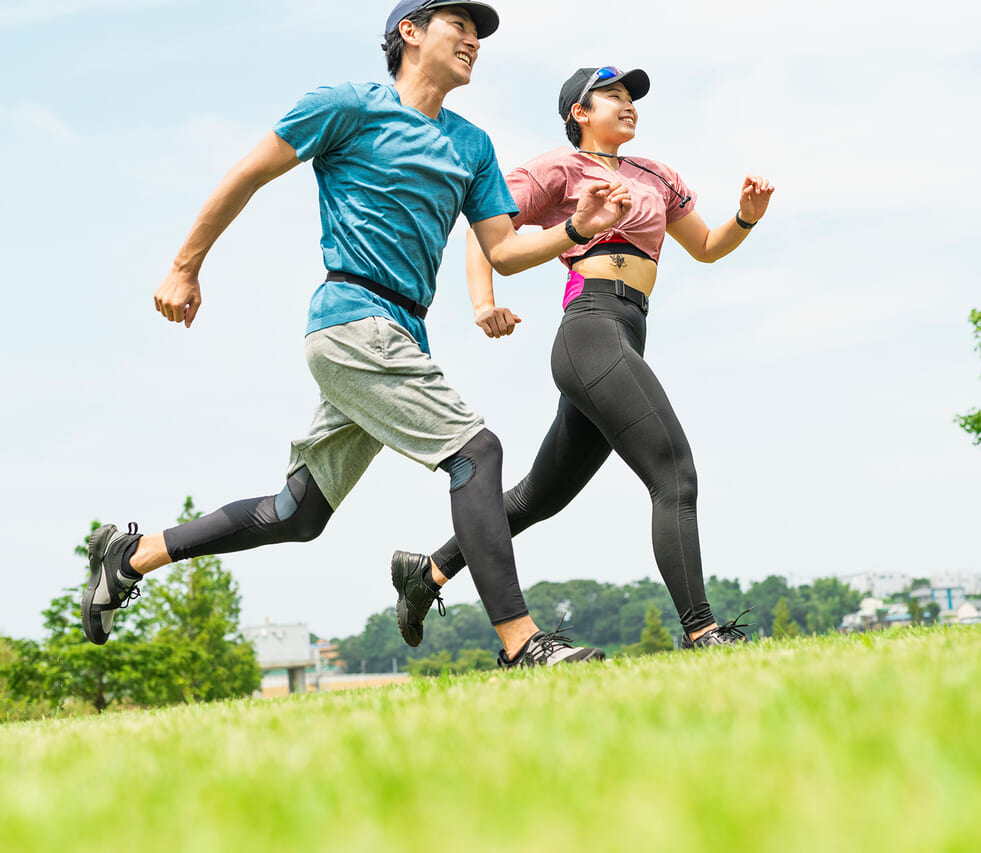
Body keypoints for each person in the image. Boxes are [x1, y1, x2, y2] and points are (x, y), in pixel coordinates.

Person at [81, 3, 635, 669]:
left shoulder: (473, 145)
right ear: (410, 32)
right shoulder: (346, 105)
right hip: (351, 319)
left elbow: (505, 251)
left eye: (479, 33)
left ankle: (131, 555)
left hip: (401, 332)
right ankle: (522, 642)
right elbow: (248, 173)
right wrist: (183, 266)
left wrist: (577, 228)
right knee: (476, 451)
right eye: (458, 25)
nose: (473, 40)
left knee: (298, 512)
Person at [389, 65, 774, 650]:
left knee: (538, 497)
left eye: (632, 98)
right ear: (579, 113)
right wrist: (483, 301)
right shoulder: (557, 169)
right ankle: (703, 632)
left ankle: (429, 573)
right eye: (612, 97)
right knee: (674, 473)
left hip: (627, 329)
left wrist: (745, 216)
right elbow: (484, 230)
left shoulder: (656, 174)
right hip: (590, 331)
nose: (628, 106)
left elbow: (707, 248)